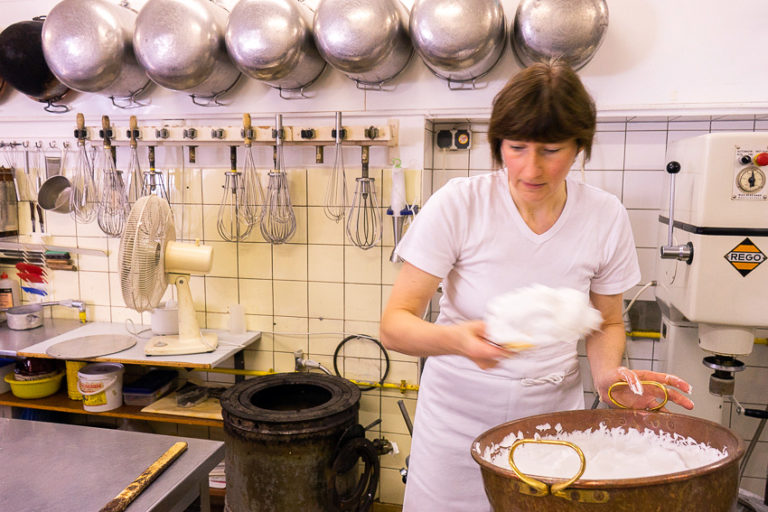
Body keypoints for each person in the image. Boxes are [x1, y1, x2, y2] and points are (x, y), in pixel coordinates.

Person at [379, 60, 695, 511]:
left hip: (549, 420)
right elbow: (395, 325)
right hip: (456, 419)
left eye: (551, 150)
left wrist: (608, 379)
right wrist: (458, 339)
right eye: (516, 147)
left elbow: (606, 321)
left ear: (578, 147)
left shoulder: (604, 216)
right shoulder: (459, 205)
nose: (531, 168)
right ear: (498, 145)